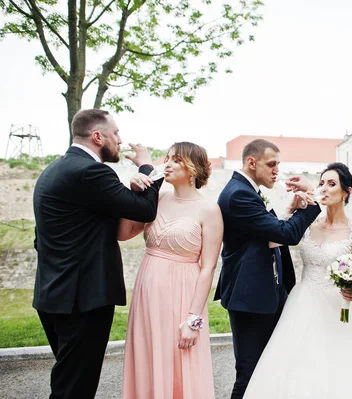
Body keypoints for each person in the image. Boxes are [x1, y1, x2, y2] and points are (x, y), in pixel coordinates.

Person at [242, 162, 352, 398]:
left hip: (337, 309)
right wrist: (291, 209)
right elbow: (272, 241)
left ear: (346, 192)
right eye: (321, 184)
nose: (325, 189)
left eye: (332, 184)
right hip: (302, 304)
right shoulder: (307, 223)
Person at [32, 109, 162, 399]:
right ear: (97, 136)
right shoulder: (91, 171)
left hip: (53, 294)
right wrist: (147, 168)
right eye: (116, 133)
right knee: (75, 387)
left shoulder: (54, 170)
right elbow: (144, 210)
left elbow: (42, 239)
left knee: (68, 378)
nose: (120, 139)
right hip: (83, 300)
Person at [214, 139, 321, 399]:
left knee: (269, 367)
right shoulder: (239, 194)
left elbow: (264, 231)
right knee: (250, 372)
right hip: (250, 296)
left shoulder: (248, 190)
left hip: (265, 292)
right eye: (271, 164)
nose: (276, 170)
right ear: (252, 162)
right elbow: (286, 234)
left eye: (278, 164)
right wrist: (312, 205)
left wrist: (289, 210)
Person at [119, 142, 222, 399]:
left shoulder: (209, 209)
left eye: (176, 160)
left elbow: (208, 267)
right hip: (147, 293)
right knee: (147, 357)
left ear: (193, 169)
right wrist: (131, 196)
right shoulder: (158, 198)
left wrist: (193, 320)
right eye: (167, 158)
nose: (167, 164)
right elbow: (123, 233)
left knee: (177, 361)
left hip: (182, 296)